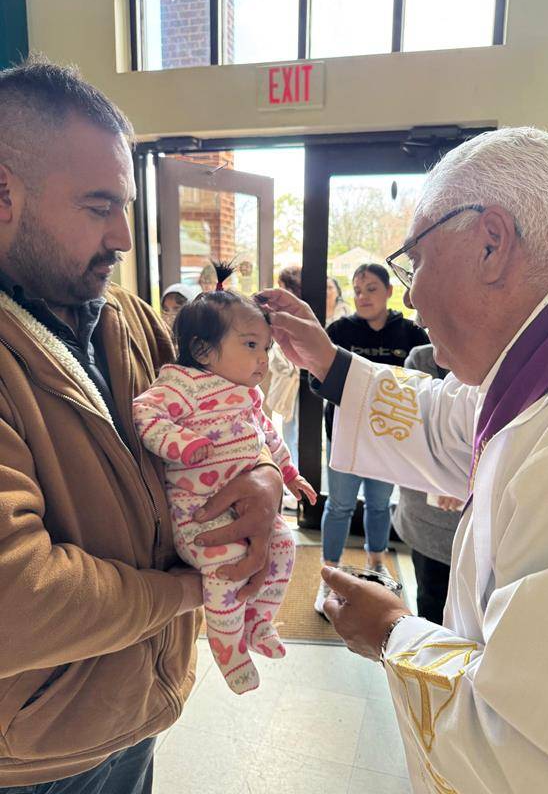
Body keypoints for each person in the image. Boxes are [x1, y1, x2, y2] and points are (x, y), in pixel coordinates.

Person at [258, 127, 548, 792]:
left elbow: (524, 752)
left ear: (491, 245)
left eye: (415, 265)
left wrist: (390, 631)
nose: (409, 298)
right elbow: (450, 421)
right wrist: (327, 364)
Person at [0, 59, 283, 791]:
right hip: (34, 759)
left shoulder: (125, 318)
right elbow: (16, 601)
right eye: (99, 207)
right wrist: (190, 593)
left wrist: (262, 476)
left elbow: (224, 411)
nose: (125, 237)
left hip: (137, 714)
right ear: (3, 194)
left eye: (124, 205)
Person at [133, 267, 315, 694]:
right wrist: (179, 444)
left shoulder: (249, 396)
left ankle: (260, 623)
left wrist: (288, 473)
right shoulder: (183, 384)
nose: (263, 359)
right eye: (251, 345)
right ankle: (229, 651)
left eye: (266, 348)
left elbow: (269, 437)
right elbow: (146, 413)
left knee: (285, 546)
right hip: (200, 516)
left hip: (246, 508)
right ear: (202, 349)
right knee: (224, 569)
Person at [315, 263, 427, 615]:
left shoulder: (409, 333)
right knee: (340, 506)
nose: (362, 296)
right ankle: (328, 575)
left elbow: (426, 384)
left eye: (371, 289)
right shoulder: (338, 331)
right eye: (358, 290)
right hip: (345, 437)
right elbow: (315, 379)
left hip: (387, 440)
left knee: (380, 505)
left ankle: (376, 565)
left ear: (390, 292)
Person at [393, 344, 462, 624]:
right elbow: (407, 433)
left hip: (484, 525)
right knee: (432, 604)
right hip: (429, 523)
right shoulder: (421, 360)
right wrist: (441, 479)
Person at [267, 266, 302, 508]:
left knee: (294, 432)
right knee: (288, 430)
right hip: (292, 382)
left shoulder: (299, 314)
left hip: (304, 382)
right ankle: (293, 478)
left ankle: (294, 479)